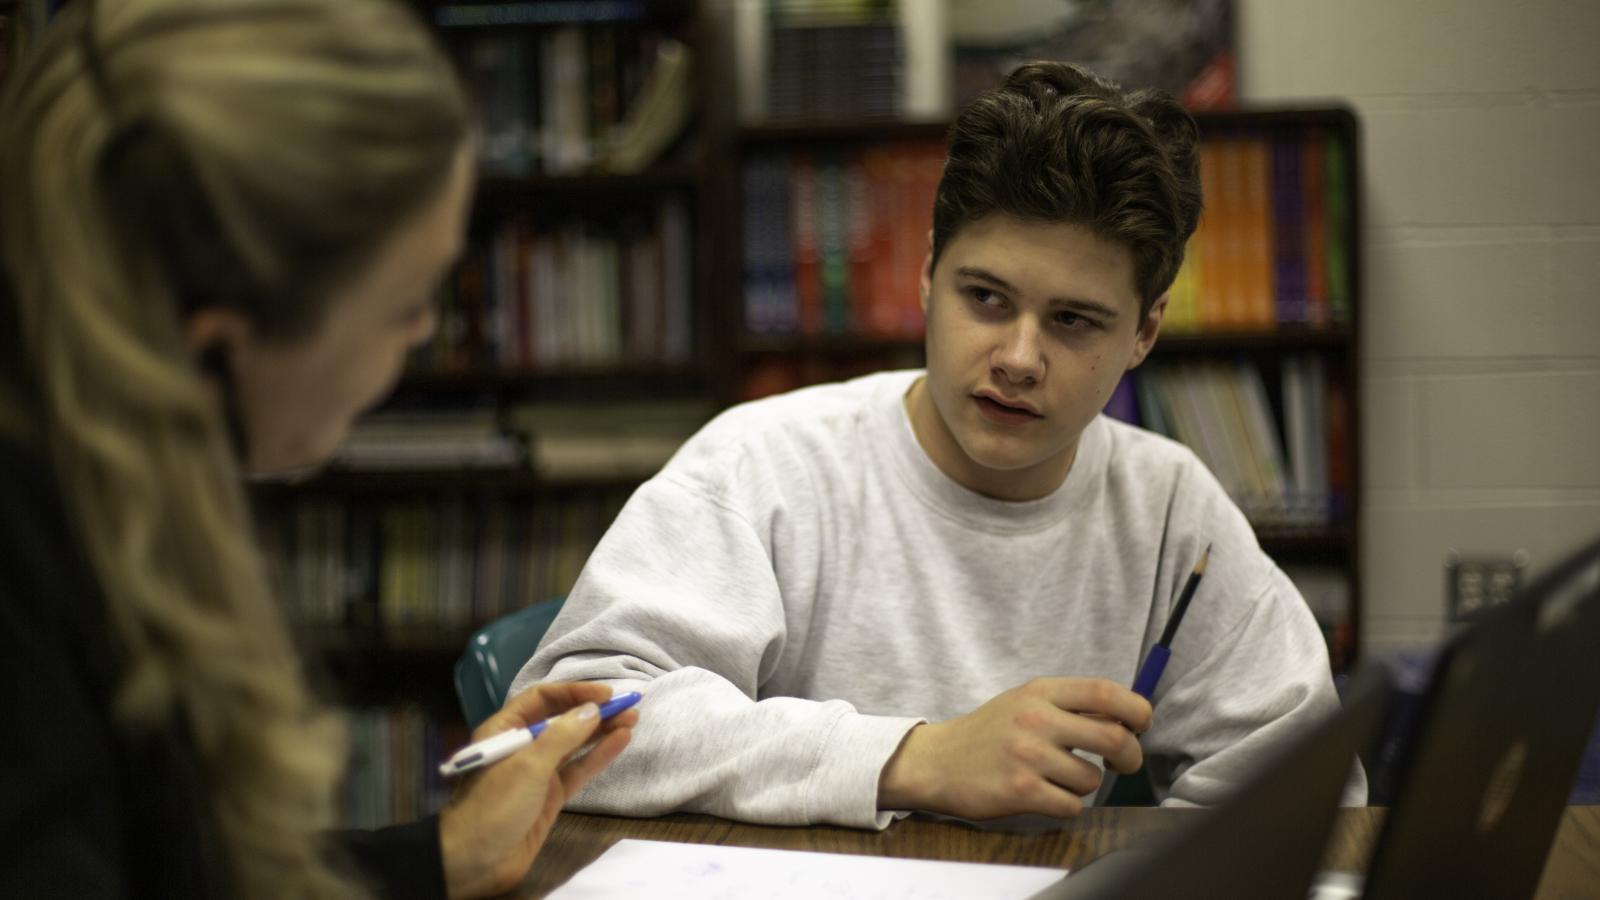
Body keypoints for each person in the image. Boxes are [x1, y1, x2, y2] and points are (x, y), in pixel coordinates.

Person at [512, 61, 1363, 829]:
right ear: (926, 277)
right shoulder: (762, 465)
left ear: (1144, 332)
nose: (1019, 360)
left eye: (1073, 321)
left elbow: (1310, 784)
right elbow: (563, 728)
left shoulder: (1169, 508)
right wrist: (915, 759)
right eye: (986, 299)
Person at [0, 0, 636, 897]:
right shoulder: (32, 569)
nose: (420, 333)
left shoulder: (102, 468)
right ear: (220, 340)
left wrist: (444, 855)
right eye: (403, 301)